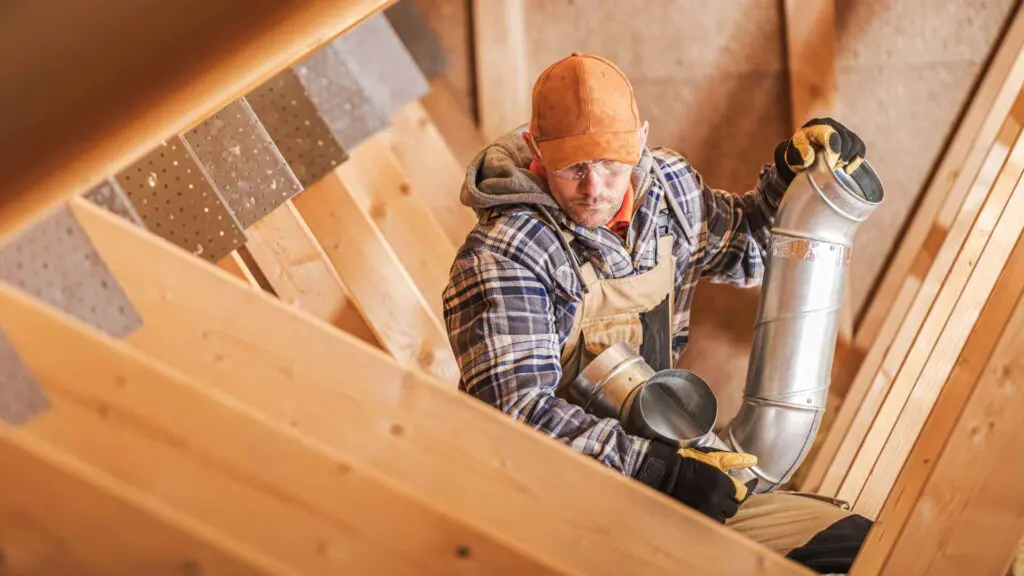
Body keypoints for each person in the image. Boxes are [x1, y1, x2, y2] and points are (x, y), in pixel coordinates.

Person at [442, 52, 872, 574]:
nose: (595, 187)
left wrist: (790, 183)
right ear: (536, 150)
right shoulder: (506, 253)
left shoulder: (668, 190)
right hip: (553, 506)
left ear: (640, 139)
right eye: (574, 166)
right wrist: (655, 470)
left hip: (663, 461)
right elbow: (518, 416)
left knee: (856, 548)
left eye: (610, 162)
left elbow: (748, 250)